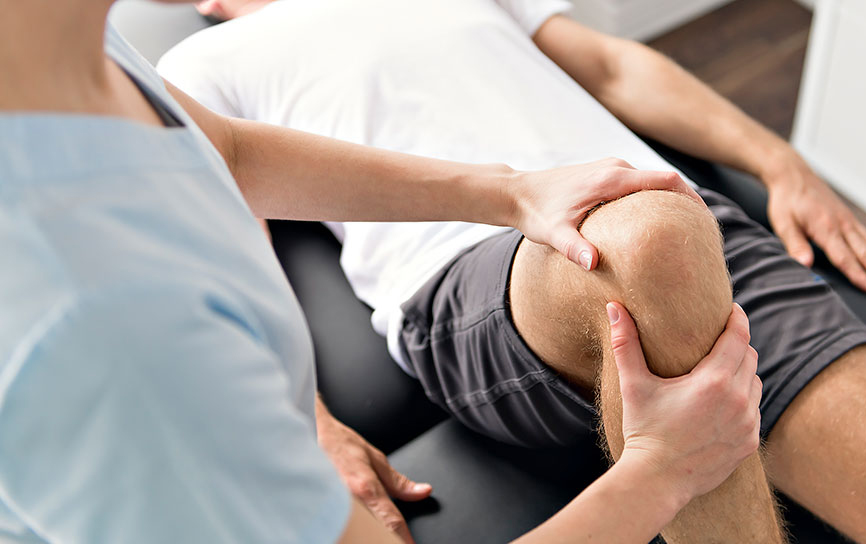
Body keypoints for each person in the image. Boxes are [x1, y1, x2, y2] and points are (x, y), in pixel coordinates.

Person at [160, 0, 866, 542]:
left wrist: (780, 160)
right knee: (648, 237)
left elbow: (613, 67)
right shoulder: (205, 66)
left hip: (677, 222)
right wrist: (302, 418)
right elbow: (226, 241)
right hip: (474, 283)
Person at [0, 0, 765, 542]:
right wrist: (663, 472)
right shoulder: (96, 323)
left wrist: (510, 192)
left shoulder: (66, 45)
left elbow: (228, 151)